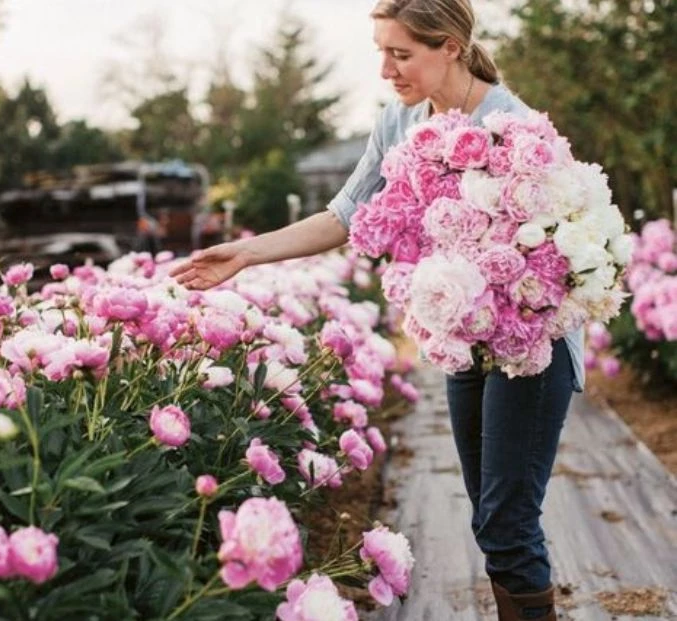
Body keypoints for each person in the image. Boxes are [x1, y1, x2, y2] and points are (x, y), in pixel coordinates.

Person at [170, 2, 584, 619]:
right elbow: (345, 215)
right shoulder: (398, 122)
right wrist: (246, 254)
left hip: (531, 347)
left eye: (401, 53)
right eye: (381, 52)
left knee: (506, 521)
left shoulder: (516, 128)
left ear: (450, 47)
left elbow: (568, 250)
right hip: (465, 340)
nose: (387, 69)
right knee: (489, 516)